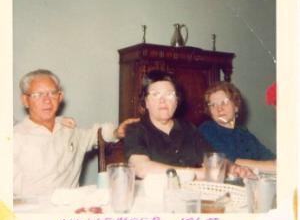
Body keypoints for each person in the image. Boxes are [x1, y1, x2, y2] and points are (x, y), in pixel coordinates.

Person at [14, 69, 138, 197]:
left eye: (52, 93)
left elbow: (97, 134)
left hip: (71, 208)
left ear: (60, 97)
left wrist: (116, 132)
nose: (47, 100)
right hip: (34, 210)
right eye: (38, 95)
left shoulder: (70, 131)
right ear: (25, 100)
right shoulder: (14, 138)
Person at [124, 70, 253, 180]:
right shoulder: (135, 130)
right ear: (145, 102)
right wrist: (195, 174)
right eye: (156, 94)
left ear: (176, 101)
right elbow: (141, 168)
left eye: (170, 94)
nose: (163, 100)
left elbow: (212, 159)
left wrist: (234, 168)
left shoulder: (188, 128)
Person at [198, 81, 276, 173]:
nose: (219, 109)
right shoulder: (207, 129)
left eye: (224, 102)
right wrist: (275, 167)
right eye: (213, 105)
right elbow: (230, 161)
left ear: (236, 106)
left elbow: (268, 157)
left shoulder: (243, 133)